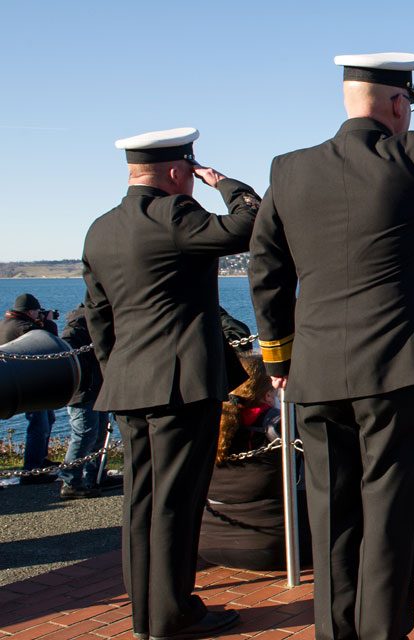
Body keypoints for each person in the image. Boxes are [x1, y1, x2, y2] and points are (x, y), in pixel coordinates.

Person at [248, 52, 414, 640]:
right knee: (389, 527)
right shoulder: (413, 157)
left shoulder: (288, 170)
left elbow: (265, 269)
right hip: (397, 373)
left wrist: (280, 358)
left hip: (316, 374)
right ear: (400, 104)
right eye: (412, 104)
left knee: (330, 522)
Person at [83, 127, 260, 638]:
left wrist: (119, 370)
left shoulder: (100, 228)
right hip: (181, 384)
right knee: (177, 503)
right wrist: (224, 182)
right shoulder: (177, 215)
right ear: (180, 172)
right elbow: (251, 222)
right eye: (192, 173)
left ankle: (147, 611)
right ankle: (173, 614)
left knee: (142, 500)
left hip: (129, 384)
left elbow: (99, 316)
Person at [199, 354, 312, 571]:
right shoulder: (280, 426)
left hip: (208, 543)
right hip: (276, 546)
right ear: (269, 392)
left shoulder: (210, 425)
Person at [1, 293, 59, 482]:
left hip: (18, 383)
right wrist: (48, 322)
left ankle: (40, 461)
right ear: (30, 311)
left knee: (47, 419)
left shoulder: (7, 325)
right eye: (37, 311)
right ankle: (32, 469)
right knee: (39, 425)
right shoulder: (26, 328)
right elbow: (50, 343)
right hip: (30, 386)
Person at [58, 304, 109, 499]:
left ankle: (93, 476)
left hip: (97, 388)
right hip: (83, 391)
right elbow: (67, 349)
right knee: (84, 435)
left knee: (99, 433)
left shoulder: (91, 323)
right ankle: (70, 481)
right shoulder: (76, 328)